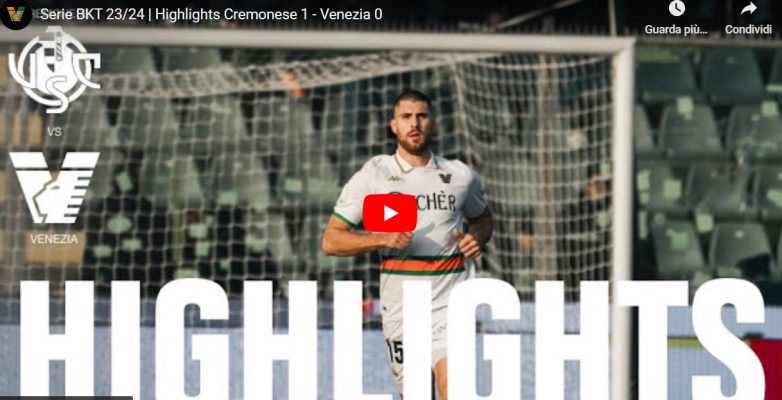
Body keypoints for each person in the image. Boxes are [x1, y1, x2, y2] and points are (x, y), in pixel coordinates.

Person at [321, 90, 493, 399]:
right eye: (406, 117)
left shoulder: (460, 175)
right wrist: (382, 237)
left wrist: (476, 238)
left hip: (450, 303)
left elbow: (483, 220)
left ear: (432, 122)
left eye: (422, 116)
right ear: (393, 125)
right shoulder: (375, 175)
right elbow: (331, 240)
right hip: (402, 307)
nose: (414, 124)